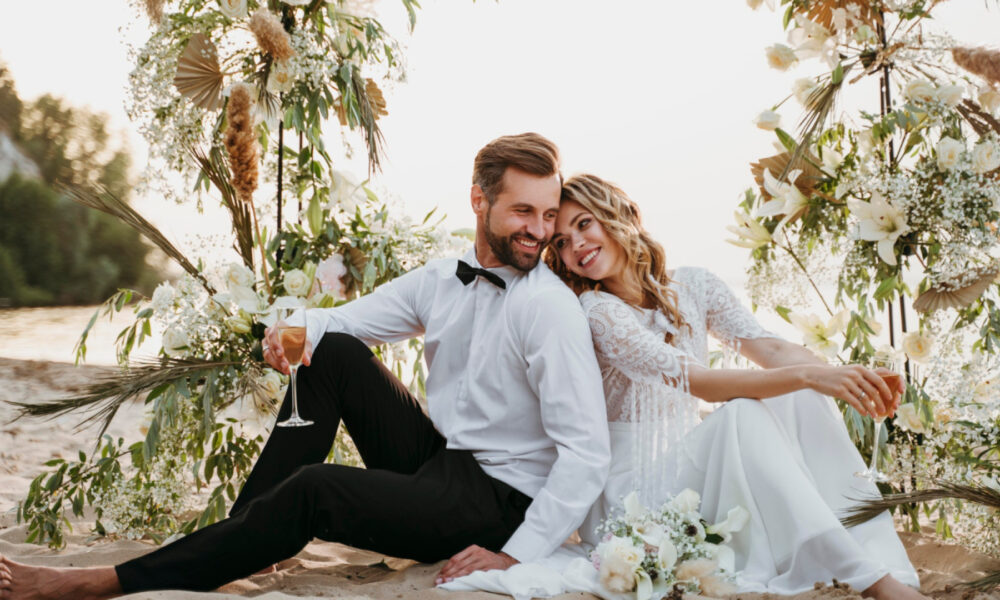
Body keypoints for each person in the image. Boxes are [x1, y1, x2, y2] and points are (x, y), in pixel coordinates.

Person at [0, 134, 611, 600]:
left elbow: (587, 453)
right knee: (334, 354)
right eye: (523, 212)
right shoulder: (440, 280)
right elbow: (341, 322)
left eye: (548, 214)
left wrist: (517, 554)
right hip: (442, 464)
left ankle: (103, 582)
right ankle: (247, 541)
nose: (540, 231)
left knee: (317, 489)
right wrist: (289, 331)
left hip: (500, 505)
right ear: (479, 200)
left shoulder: (547, 310)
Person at [443, 173, 925, 600]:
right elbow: (703, 384)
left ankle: (871, 548)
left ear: (623, 214)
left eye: (584, 224)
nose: (576, 246)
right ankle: (869, 579)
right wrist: (811, 374)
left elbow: (771, 350)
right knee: (744, 411)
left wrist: (842, 373)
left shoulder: (695, 285)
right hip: (631, 491)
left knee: (802, 393)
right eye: (563, 242)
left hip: (691, 469)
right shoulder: (599, 312)